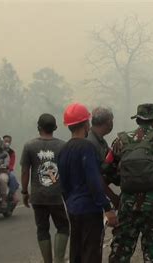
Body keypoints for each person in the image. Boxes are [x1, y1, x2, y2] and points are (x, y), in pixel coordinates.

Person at [109, 103, 153, 263]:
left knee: (120, 252)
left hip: (127, 206)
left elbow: (109, 172)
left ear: (138, 120)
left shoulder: (120, 141)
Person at [58, 102, 117, 263]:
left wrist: (70, 203)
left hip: (73, 209)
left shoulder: (63, 150)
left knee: (76, 252)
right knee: (91, 252)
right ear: (86, 123)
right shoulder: (87, 147)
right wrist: (107, 208)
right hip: (90, 209)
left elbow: (62, 184)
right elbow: (94, 179)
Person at [20, 114, 69, 263]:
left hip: (38, 196)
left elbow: (24, 171)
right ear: (55, 128)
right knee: (63, 227)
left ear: (39, 127)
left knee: (42, 229)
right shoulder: (63, 146)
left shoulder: (29, 146)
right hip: (56, 195)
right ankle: (59, 259)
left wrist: (24, 192)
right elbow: (67, 171)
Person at [86, 107, 119, 208]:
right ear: (109, 122)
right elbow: (95, 176)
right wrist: (112, 197)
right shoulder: (91, 143)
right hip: (89, 197)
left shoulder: (100, 140)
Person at [3, 135, 20, 203]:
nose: (7, 142)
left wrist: (8, 169)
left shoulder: (11, 152)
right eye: (5, 141)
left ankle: (11, 194)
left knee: (12, 177)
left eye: (8, 141)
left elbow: (12, 163)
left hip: (6, 170)